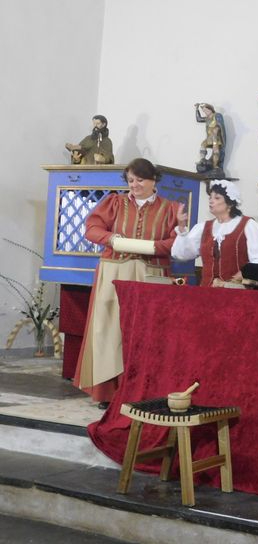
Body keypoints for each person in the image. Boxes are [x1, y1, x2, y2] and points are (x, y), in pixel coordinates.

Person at [73, 158, 179, 408]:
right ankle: (109, 392)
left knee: (146, 331)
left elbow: (177, 242)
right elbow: (91, 228)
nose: (134, 185)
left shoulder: (171, 209)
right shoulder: (114, 203)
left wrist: (155, 247)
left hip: (151, 274)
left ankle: (142, 390)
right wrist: (111, 238)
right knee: (109, 330)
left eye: (140, 179)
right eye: (131, 180)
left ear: (153, 180)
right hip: (114, 272)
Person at [172, 180, 258, 287]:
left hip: (236, 294)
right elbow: (181, 254)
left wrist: (245, 273)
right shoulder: (203, 228)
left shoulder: (248, 226)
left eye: (217, 198)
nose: (211, 201)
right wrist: (181, 228)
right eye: (210, 198)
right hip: (205, 292)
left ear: (230, 203)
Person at [195, 103, 226, 175]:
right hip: (209, 137)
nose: (205, 112)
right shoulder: (207, 118)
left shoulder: (217, 115)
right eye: (204, 111)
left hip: (215, 137)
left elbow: (220, 124)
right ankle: (202, 159)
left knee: (216, 150)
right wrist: (197, 109)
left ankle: (215, 166)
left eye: (206, 110)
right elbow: (199, 119)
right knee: (203, 145)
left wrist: (217, 128)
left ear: (210, 109)